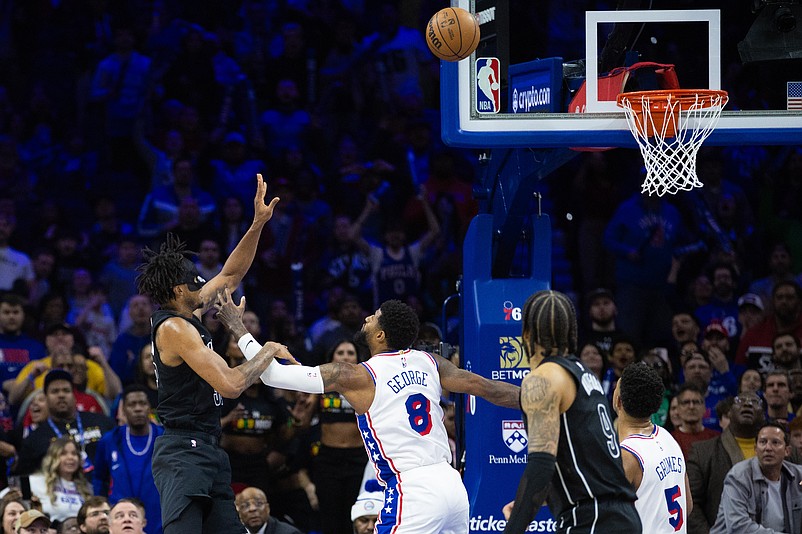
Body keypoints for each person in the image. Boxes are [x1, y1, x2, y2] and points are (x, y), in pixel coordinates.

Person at [217, 295, 520, 533]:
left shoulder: (357, 375)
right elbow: (488, 388)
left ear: (381, 335)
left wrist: (236, 324)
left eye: (373, 317)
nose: (366, 317)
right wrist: (542, 401)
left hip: (413, 488)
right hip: (452, 485)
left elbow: (271, 376)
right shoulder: (430, 362)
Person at [135, 173, 292, 534]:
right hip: (182, 451)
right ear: (179, 289)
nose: (205, 284)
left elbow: (232, 275)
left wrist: (257, 224)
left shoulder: (189, 312)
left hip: (208, 447)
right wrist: (265, 350)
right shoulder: (174, 328)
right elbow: (231, 383)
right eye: (196, 281)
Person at [501, 290, 640, 534]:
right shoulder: (584, 374)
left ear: (526, 334)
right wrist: (529, 504)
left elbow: (541, 464)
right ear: (570, 332)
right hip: (621, 516)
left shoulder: (542, 378)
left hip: (592, 519)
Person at [615, 362, 692, 533]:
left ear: (618, 401)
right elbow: (687, 506)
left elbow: (608, 524)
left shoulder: (626, 455)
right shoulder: (668, 438)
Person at [688, 391, 766, 533]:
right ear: (729, 413)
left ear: (764, 415)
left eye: (755, 402)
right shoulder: (703, 452)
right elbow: (691, 502)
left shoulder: (783, 451)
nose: (747, 404)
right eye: (740, 401)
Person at [15, 370, 114, 478]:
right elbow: (24, 478)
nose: (61, 395)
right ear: (46, 397)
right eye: (55, 391)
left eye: (66, 391)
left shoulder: (101, 422)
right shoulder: (35, 438)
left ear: (74, 395)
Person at [92, 385, 163, 534]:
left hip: (158, 515)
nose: (138, 409)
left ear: (149, 407)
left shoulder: (164, 438)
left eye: (142, 403)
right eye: (132, 404)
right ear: (123, 410)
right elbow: (99, 478)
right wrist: (104, 506)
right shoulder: (110, 440)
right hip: (122, 517)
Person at [315, 339, 368, 534]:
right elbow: (303, 422)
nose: (345, 356)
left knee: (354, 515)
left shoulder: (366, 385)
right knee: (329, 517)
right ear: (332, 357)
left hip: (358, 459)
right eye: (341, 352)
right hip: (328, 459)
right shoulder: (320, 386)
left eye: (350, 353)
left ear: (357, 358)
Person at [710, 422, 802, 533]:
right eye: (763, 442)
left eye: (775, 442)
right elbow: (738, 527)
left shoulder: (798, 476)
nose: (768, 448)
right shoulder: (738, 477)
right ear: (755, 449)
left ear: (787, 451)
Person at [28, 437, 92, 522]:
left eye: (74, 453)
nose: (70, 457)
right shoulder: (36, 481)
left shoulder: (87, 487)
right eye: (63, 453)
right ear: (53, 458)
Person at [234, 487, 302, 534]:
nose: (252, 509)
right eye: (246, 506)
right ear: (239, 512)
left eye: (259, 503)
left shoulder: (289, 533)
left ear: (267, 509)